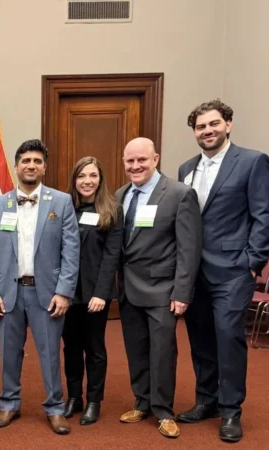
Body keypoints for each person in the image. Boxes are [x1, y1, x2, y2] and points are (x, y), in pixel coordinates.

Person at [176, 100, 269, 442]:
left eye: (213, 124)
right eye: (201, 126)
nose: (207, 131)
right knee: (201, 340)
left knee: (229, 339)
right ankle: (207, 401)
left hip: (233, 271)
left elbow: (265, 216)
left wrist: (253, 263)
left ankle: (232, 410)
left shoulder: (252, 162)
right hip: (194, 273)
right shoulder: (185, 168)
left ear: (228, 124)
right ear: (194, 132)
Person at [0, 139, 80, 435]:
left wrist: (64, 291)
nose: (31, 165)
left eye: (37, 161)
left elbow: (71, 250)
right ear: (16, 166)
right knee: (10, 352)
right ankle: (9, 403)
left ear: (44, 168)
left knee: (50, 353)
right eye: (26, 161)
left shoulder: (61, 202)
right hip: (8, 293)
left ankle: (54, 408)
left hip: (48, 293)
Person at [115, 137, 202, 439]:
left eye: (142, 159)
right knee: (136, 349)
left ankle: (163, 409)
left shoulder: (179, 194)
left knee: (163, 352)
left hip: (163, 290)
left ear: (155, 159)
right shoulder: (120, 195)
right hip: (128, 289)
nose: (135, 166)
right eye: (130, 161)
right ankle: (142, 402)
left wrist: (182, 292)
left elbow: (188, 249)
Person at [62, 156, 123, 425]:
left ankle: (94, 401)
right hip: (66, 293)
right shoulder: (64, 207)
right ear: (74, 180)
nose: (87, 181)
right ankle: (74, 397)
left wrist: (102, 294)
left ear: (100, 179)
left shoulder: (111, 209)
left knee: (95, 349)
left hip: (94, 295)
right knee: (71, 348)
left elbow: (112, 256)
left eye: (93, 176)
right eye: (82, 176)